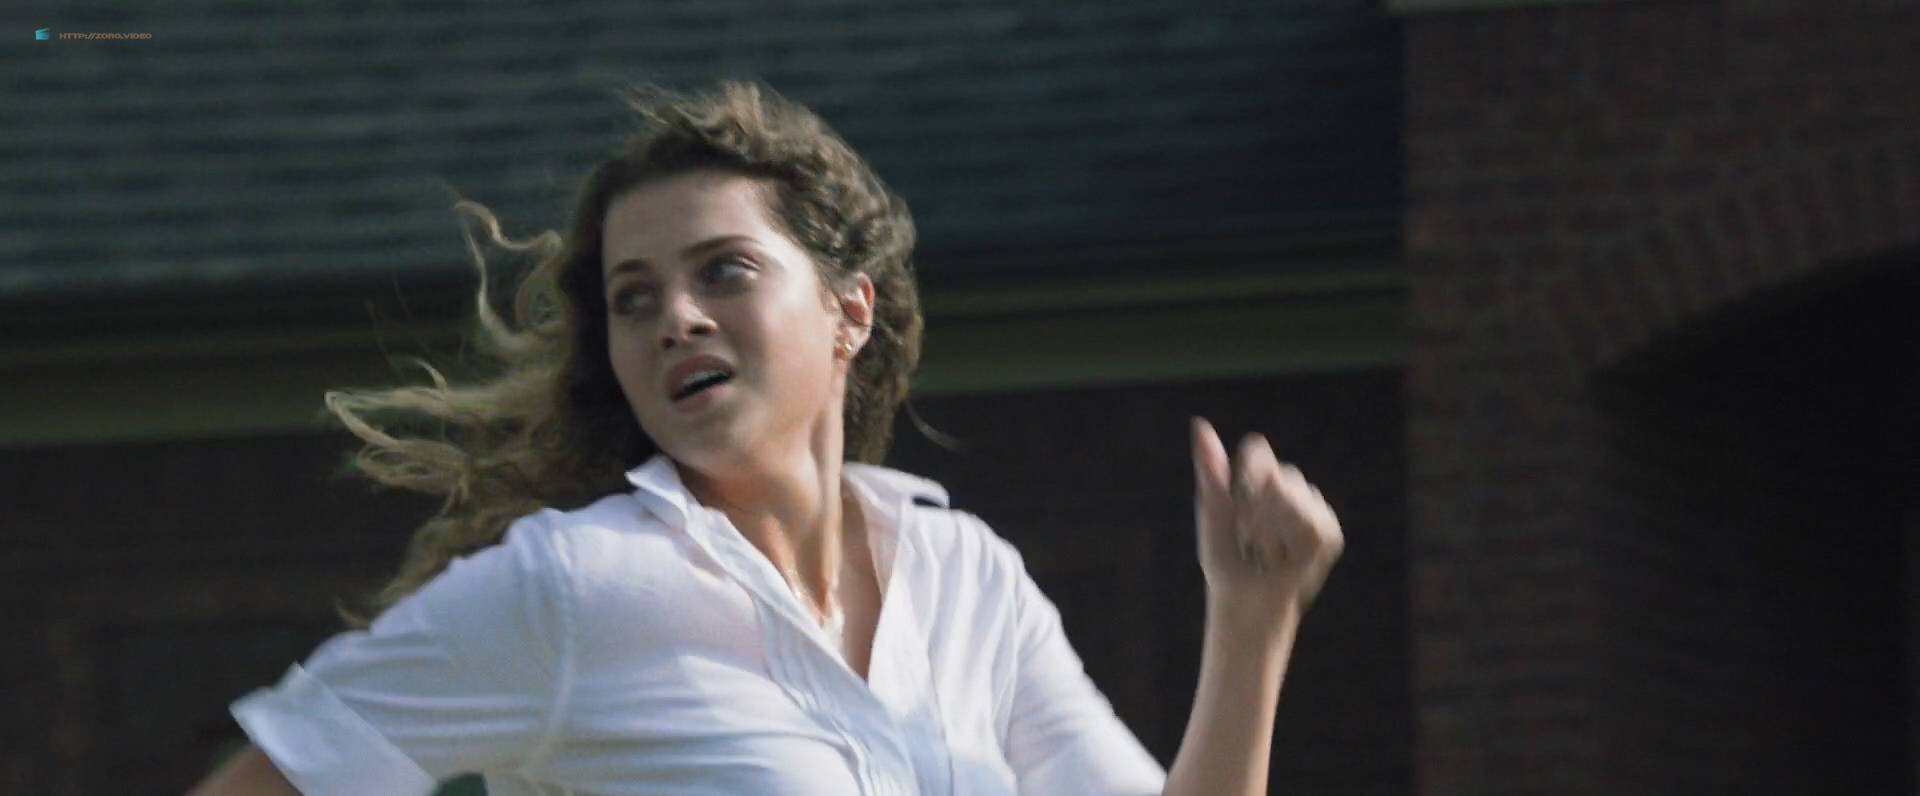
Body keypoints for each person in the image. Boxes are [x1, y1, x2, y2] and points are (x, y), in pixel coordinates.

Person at [188, 79, 1343, 796]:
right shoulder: (572, 586)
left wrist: (1252, 623)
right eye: (634, 298)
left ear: (850, 310)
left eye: (724, 270)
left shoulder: (969, 579)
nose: (676, 316)